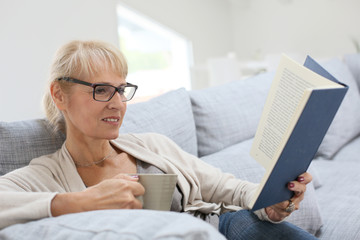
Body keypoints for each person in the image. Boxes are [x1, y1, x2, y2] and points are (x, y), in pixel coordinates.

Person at [0, 40, 317, 239]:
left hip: (220, 228)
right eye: (101, 90)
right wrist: (78, 202)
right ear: (60, 95)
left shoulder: (151, 145)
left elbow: (227, 188)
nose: (117, 103)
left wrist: (271, 204)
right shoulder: (44, 174)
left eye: (121, 90)